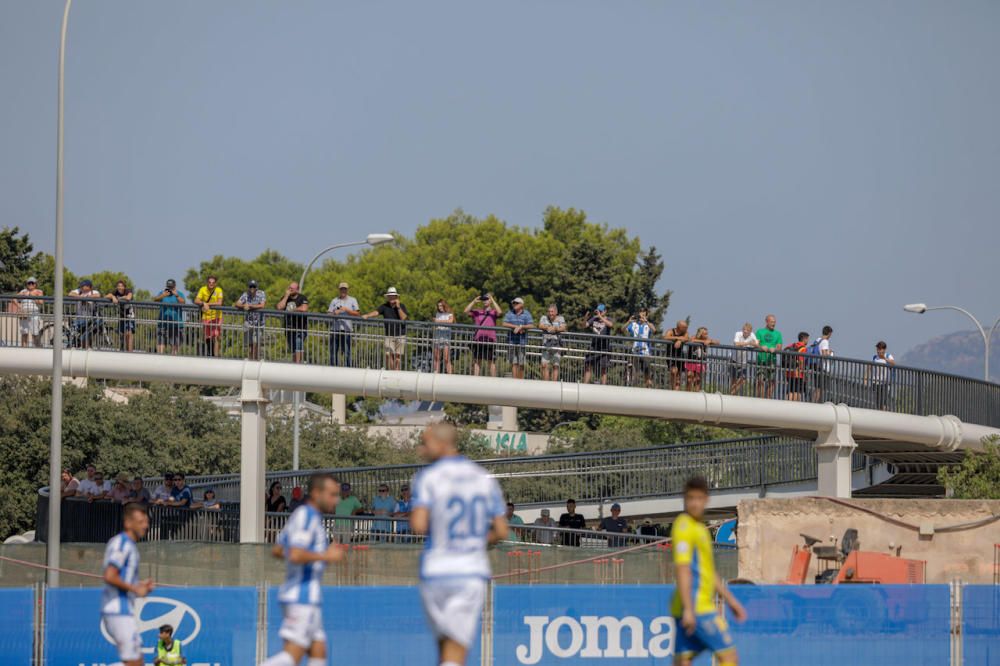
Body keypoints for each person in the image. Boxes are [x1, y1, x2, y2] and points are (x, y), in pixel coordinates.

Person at [410, 423, 508, 666]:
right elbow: (502, 530)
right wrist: (475, 539)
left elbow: (418, 525)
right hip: (469, 571)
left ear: (442, 443)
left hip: (435, 570)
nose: (422, 449)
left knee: (444, 647)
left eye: (426, 443)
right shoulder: (483, 478)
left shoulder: (428, 477)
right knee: (456, 652)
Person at [261, 473, 345, 666]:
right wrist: (326, 555)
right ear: (316, 493)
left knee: (319, 651)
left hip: (304, 595)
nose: (337, 499)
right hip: (302, 596)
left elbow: (278, 549)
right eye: (332, 494)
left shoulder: (304, 516)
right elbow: (297, 554)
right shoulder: (308, 517)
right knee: (292, 656)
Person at [671, 476, 746, 666]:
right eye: (690, 498)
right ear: (684, 499)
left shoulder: (700, 528)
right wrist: (689, 609)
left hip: (689, 608)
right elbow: (682, 568)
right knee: (729, 657)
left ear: (706, 499)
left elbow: (708, 572)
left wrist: (731, 601)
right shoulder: (684, 526)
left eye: (698, 498)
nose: (694, 503)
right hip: (697, 608)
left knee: (682, 662)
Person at [101, 503, 155, 666]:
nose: (145, 525)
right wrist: (135, 588)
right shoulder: (122, 544)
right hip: (118, 610)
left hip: (124, 610)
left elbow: (122, 577)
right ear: (128, 523)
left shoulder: (129, 545)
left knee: (137, 661)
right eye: (140, 522)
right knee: (134, 662)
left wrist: (139, 585)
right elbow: (110, 575)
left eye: (146, 521)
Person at [362, 287, 409, 371]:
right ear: (387, 297)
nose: (391, 297)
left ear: (396, 297)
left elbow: (404, 318)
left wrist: (398, 307)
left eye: (393, 296)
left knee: (397, 357)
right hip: (389, 335)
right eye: (390, 296)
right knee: (388, 354)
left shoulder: (402, 306)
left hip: (400, 334)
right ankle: (392, 372)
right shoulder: (384, 306)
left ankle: (396, 373)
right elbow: (376, 312)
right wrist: (367, 315)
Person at [465, 293, 502, 377]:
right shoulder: (477, 311)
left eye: (487, 299)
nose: (485, 301)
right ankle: (475, 380)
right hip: (479, 339)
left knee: (491, 361)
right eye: (484, 299)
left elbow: (500, 312)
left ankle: (494, 381)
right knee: (477, 360)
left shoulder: (493, 312)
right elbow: (466, 311)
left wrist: (492, 300)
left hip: (490, 339)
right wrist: (474, 301)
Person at [327, 282, 360, 367]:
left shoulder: (353, 300)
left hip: (347, 330)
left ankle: (348, 370)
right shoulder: (334, 300)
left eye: (345, 289)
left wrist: (346, 310)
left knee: (347, 352)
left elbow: (357, 313)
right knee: (333, 352)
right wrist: (335, 313)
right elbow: (329, 314)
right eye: (341, 289)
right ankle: (332, 370)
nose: (343, 291)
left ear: (347, 290)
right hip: (335, 329)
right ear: (339, 290)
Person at [276, 282, 310, 364]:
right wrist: (286, 296)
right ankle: (295, 364)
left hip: (300, 328)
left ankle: (298, 364)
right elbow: (279, 307)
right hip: (289, 328)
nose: (290, 289)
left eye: (292, 288)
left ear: (297, 290)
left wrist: (293, 310)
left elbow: (304, 308)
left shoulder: (302, 298)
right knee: (293, 348)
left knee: (298, 344)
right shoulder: (285, 298)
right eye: (289, 288)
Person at [582, 305, 614, 385]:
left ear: (605, 311)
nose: (599, 312)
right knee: (588, 367)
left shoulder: (608, 319)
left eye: (601, 311)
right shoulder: (594, 319)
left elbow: (611, 325)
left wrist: (600, 317)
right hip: (593, 347)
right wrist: (585, 317)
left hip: (604, 348)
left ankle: (603, 388)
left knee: (603, 369)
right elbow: (583, 326)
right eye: (598, 311)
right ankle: (584, 386)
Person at [235, 280, 266, 360]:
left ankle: (255, 360)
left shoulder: (261, 293)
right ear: (248, 288)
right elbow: (237, 304)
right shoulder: (245, 294)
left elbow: (262, 305)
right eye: (250, 286)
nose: (252, 288)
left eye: (254, 287)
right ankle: (250, 359)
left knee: (257, 342)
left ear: (257, 288)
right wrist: (243, 306)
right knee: (249, 343)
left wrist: (250, 306)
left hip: (259, 322)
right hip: (249, 322)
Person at [502, 298, 534, 379]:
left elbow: (531, 325)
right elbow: (504, 323)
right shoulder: (510, 313)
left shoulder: (526, 314)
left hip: (522, 342)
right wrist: (515, 327)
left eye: (516, 303)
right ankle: (514, 381)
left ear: (522, 305)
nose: (514, 304)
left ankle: (520, 382)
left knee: (521, 363)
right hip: (511, 341)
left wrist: (521, 327)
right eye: (513, 303)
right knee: (514, 363)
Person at [153, 280, 186, 355]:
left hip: (176, 324)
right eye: (168, 287)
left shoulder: (179, 294)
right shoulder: (162, 293)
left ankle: (173, 362)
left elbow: (183, 302)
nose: (170, 289)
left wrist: (176, 295)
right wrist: (163, 296)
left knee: (175, 347)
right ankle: (159, 361)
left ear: (175, 286)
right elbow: (155, 300)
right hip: (162, 323)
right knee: (160, 344)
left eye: (171, 287)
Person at [625, 309, 656, 388]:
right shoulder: (634, 324)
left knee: (647, 373)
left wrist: (646, 321)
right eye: (640, 315)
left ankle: (648, 390)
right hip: (635, 352)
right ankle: (634, 390)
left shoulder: (648, 325)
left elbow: (654, 330)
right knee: (635, 373)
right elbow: (623, 329)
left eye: (644, 315)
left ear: (646, 316)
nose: (641, 317)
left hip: (646, 353)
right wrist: (629, 321)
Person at [68, 279, 103, 349]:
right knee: (80, 333)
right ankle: (77, 346)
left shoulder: (94, 292)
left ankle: (86, 347)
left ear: (88, 287)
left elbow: (98, 295)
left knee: (89, 331)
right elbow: (70, 294)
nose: (81, 288)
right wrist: (81, 297)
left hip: (89, 318)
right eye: (81, 286)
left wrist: (86, 298)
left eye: (83, 286)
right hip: (80, 318)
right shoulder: (78, 291)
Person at [195, 276, 224, 357]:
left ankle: (216, 356)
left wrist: (208, 304)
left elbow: (219, 303)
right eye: (209, 282)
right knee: (207, 336)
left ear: (215, 283)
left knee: (216, 336)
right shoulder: (202, 289)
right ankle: (209, 354)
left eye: (213, 282)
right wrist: (203, 303)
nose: (211, 284)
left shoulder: (219, 290)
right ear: (207, 283)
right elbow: (196, 300)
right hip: (206, 316)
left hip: (217, 317)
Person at [755, 315, 783, 399]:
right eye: (771, 322)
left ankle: (768, 399)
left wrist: (775, 349)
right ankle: (760, 399)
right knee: (760, 381)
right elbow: (756, 344)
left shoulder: (778, 334)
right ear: (766, 321)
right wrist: (761, 347)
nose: (773, 324)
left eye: (774, 322)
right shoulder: (759, 332)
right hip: (761, 360)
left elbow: (779, 346)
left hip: (772, 361)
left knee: (772, 382)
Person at [537, 305, 566, 381]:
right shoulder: (544, 317)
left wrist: (556, 329)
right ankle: (546, 385)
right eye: (549, 311)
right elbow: (539, 325)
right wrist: (547, 327)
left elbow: (564, 328)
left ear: (556, 312)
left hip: (557, 345)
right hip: (546, 345)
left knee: (555, 366)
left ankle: (554, 385)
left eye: (552, 311)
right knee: (544, 365)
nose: (550, 313)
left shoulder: (561, 318)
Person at [12, 277, 44, 347]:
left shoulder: (39, 291)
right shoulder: (23, 291)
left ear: (35, 284)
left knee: (35, 333)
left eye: (32, 283)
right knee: (24, 333)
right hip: (24, 313)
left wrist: (31, 295)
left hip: (34, 314)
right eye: (29, 283)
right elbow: (13, 298)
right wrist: (19, 306)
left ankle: (37, 349)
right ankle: (23, 350)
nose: (31, 284)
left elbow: (41, 302)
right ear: (26, 284)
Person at [106, 280, 136, 352]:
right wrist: (113, 297)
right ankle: (122, 350)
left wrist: (120, 298)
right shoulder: (115, 292)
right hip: (121, 316)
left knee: (129, 334)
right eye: (118, 286)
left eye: (122, 286)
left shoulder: (128, 291)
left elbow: (128, 297)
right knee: (122, 334)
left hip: (130, 316)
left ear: (124, 287)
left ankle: (130, 351)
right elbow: (106, 296)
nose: (120, 287)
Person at [867, 341, 896, 411]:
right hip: (875, 382)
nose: (878, 351)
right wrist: (866, 378)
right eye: (877, 349)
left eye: (880, 349)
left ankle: (885, 414)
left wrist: (884, 358)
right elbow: (870, 367)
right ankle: (880, 413)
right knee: (878, 401)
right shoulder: (875, 357)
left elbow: (893, 363)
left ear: (884, 349)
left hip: (884, 382)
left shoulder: (888, 356)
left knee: (884, 401)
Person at [730, 322, 758, 396]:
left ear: (750, 331)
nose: (745, 331)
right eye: (744, 329)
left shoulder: (752, 335)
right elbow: (736, 344)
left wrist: (752, 343)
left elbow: (757, 344)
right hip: (734, 359)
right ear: (742, 329)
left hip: (744, 361)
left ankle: (730, 394)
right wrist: (748, 343)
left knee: (743, 379)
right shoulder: (738, 334)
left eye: (747, 330)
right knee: (734, 380)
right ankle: (732, 395)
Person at [662, 320, 690, 391]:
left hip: (680, 356)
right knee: (674, 371)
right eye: (684, 327)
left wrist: (680, 341)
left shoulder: (685, 333)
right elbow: (665, 337)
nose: (686, 329)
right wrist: (677, 338)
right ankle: (673, 389)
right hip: (671, 355)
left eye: (686, 327)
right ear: (679, 327)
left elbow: (687, 338)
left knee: (679, 376)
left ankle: (676, 391)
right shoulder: (671, 331)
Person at [811, 325, 835, 403]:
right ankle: (815, 404)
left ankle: (813, 402)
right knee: (820, 388)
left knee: (817, 387)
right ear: (829, 333)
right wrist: (830, 353)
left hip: (815, 365)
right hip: (822, 367)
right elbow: (824, 354)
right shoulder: (825, 341)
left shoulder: (818, 340)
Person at [784, 331, 810, 402]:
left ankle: (787, 405)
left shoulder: (791, 345)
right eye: (807, 339)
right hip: (798, 374)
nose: (808, 341)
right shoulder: (803, 348)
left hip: (789, 372)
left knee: (790, 390)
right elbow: (801, 361)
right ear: (804, 339)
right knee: (797, 391)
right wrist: (803, 373)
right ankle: (795, 407)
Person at [432, 300, 455, 374]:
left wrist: (438, 321)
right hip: (437, 336)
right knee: (436, 357)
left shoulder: (450, 313)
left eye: (441, 306)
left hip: (446, 337)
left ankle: (449, 374)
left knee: (446, 358)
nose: (439, 307)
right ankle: (436, 374)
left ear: (444, 305)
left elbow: (450, 322)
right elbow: (436, 323)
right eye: (438, 306)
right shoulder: (437, 314)